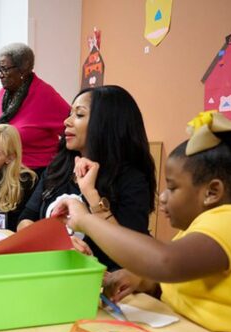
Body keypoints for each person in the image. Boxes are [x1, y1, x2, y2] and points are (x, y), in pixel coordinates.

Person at [54, 111, 231, 332]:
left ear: (212, 192)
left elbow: (165, 262)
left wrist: (86, 220)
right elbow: (185, 289)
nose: (163, 197)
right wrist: (142, 281)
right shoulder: (198, 229)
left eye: (173, 187)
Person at [18, 86, 156, 271]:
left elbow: (132, 256)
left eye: (79, 115)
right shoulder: (58, 166)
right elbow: (25, 220)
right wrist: (54, 243)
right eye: (69, 114)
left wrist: (91, 195)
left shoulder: (131, 180)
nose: (66, 121)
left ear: (107, 123)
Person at [0, 42, 70, 175]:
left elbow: (74, 127)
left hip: (35, 173)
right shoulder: (3, 94)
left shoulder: (44, 94)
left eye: (5, 69)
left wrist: (65, 165)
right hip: (7, 172)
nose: (0, 75)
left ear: (23, 69)